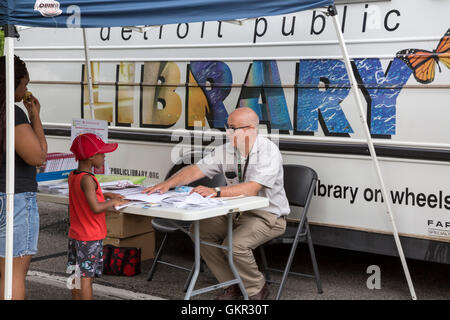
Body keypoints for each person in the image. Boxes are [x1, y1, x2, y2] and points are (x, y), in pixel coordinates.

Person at [144, 107, 290, 300]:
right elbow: (196, 170)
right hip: (235, 213)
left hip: (267, 215)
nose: (228, 132)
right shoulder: (226, 150)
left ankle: (256, 289)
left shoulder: (268, 151)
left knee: (235, 245)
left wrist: (216, 191)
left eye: (233, 128)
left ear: (251, 129)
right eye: (227, 127)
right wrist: (167, 184)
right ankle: (232, 285)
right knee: (200, 231)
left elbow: (252, 188)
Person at [0, 55, 47, 300]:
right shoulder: (12, 113)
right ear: (12, 83)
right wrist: (35, 117)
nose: (26, 89)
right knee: (13, 273)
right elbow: (38, 156)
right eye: (24, 84)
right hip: (13, 198)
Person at [68, 133, 127, 300]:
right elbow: (95, 207)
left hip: (76, 235)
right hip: (90, 237)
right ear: (91, 157)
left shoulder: (74, 175)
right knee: (87, 279)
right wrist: (113, 201)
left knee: (75, 275)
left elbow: (85, 197)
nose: (104, 156)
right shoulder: (89, 180)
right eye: (101, 153)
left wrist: (105, 194)